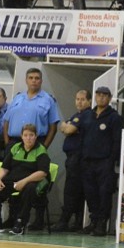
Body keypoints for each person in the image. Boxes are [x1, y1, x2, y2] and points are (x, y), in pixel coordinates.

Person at [0, 124, 50, 234]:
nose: (28, 138)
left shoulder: (41, 150)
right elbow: (5, 168)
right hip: (13, 181)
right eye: (26, 135)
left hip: (31, 182)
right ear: (22, 136)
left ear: (36, 136)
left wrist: (24, 181)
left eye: (31, 135)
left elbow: (42, 173)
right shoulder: (15, 148)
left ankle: (20, 223)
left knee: (29, 189)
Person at [80, 86, 122, 236]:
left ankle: (102, 223)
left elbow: (117, 141)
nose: (101, 98)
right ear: (95, 97)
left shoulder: (114, 117)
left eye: (105, 95)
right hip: (87, 160)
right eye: (99, 95)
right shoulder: (87, 115)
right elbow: (81, 136)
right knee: (90, 192)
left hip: (105, 162)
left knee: (104, 192)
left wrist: (112, 160)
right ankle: (94, 220)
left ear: (110, 98)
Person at [51, 90, 91, 232]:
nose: (79, 102)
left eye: (83, 99)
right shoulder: (77, 115)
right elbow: (67, 127)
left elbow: (67, 129)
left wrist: (65, 125)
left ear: (89, 101)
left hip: (78, 159)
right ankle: (77, 221)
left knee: (71, 191)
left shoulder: (86, 115)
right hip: (73, 158)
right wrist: (66, 125)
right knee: (76, 191)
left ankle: (65, 221)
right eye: (77, 99)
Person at [2, 68, 61, 152]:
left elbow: (53, 128)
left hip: (36, 144)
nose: (34, 80)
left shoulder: (48, 100)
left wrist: (44, 148)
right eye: (31, 78)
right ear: (26, 80)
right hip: (14, 143)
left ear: (41, 81)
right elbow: (6, 122)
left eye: (37, 78)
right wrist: (7, 144)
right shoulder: (17, 98)